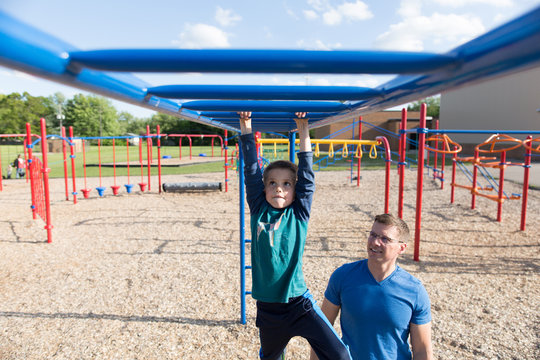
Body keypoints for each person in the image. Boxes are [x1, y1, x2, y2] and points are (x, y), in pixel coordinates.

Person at [239, 111, 351, 360]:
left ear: (294, 190)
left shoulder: (298, 213)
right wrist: (246, 127)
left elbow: (308, 178)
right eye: (272, 183)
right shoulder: (259, 208)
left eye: (287, 184)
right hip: (268, 309)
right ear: (265, 187)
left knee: (339, 354)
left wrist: (303, 130)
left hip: (299, 302)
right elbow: (251, 171)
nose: (279, 187)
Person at [310, 214, 433, 360]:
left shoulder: (414, 290)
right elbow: (322, 332)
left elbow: (422, 351)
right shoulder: (343, 276)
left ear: (402, 248)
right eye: (373, 235)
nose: (375, 242)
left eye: (384, 239)